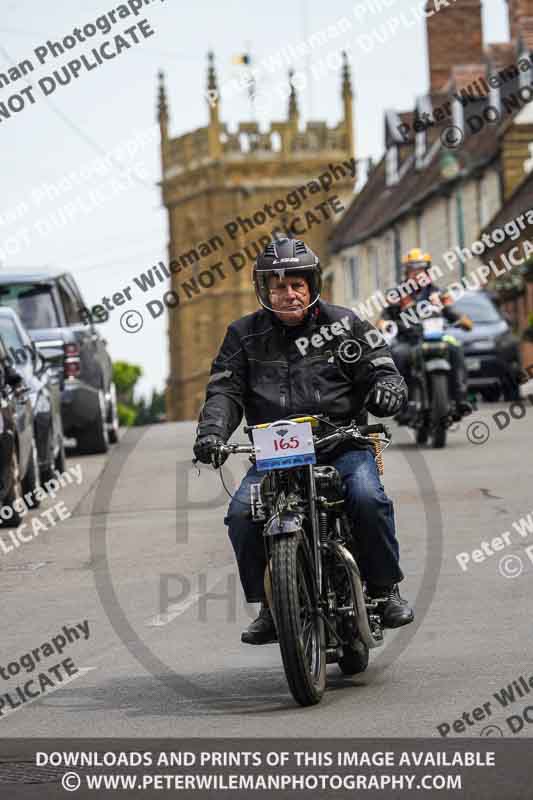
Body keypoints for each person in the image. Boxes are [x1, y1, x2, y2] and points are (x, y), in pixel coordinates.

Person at [193, 237, 414, 645]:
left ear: (312, 286)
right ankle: (269, 607)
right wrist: (212, 433)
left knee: (367, 497)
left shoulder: (346, 325)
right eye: (278, 286)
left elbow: (383, 370)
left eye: (296, 284)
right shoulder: (242, 335)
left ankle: (385, 591)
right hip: (276, 453)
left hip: (342, 443)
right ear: (264, 291)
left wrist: (388, 390)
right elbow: (224, 391)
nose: (288, 293)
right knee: (242, 513)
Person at [379, 249, 473, 422]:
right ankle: (404, 405)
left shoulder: (438, 293)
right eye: (413, 269)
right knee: (399, 355)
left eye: (421, 268)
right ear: (407, 272)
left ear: (428, 271)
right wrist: (384, 323)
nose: (417, 273)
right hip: (408, 339)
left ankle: (461, 399)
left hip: (436, 337)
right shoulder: (397, 295)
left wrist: (462, 319)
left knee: (455, 349)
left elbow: (450, 311)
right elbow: (385, 316)